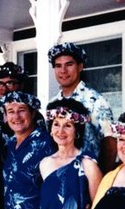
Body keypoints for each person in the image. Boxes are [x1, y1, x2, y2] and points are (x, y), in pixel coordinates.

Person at [48, 42, 117, 174]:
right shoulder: (53, 103)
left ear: (80, 67)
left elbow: (110, 145)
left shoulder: (96, 101)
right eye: (58, 66)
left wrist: (100, 180)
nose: (63, 71)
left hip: (88, 179)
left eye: (69, 64)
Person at [0, 62, 46, 142]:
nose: (4, 89)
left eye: (10, 83)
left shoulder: (32, 115)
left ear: (21, 85)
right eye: (0, 84)